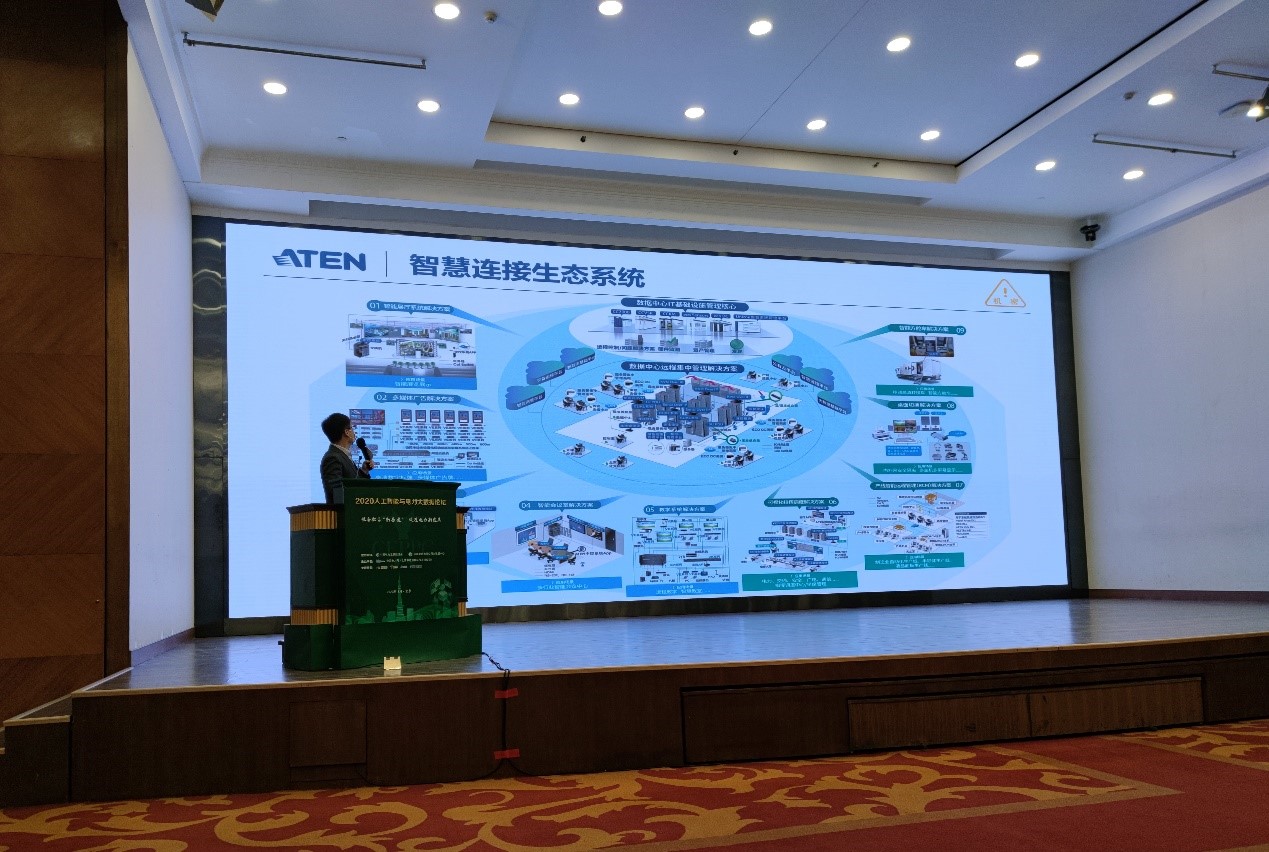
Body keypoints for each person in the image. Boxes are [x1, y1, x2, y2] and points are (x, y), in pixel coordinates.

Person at [320, 412, 375, 504]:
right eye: (352, 428)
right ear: (347, 432)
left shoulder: (342, 455)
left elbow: (353, 484)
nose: (354, 431)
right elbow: (336, 492)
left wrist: (364, 471)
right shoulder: (333, 458)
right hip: (344, 511)